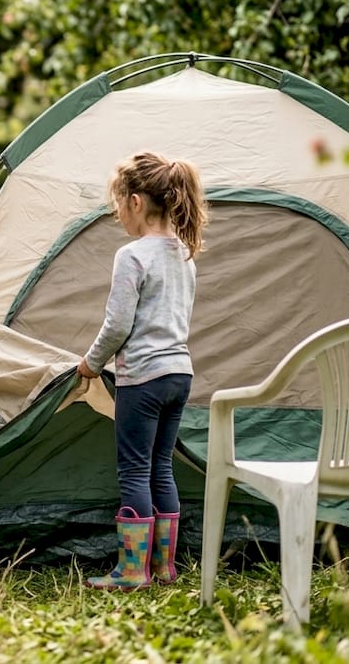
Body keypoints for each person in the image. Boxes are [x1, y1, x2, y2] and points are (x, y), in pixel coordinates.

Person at [78, 151, 209, 590]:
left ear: (136, 201)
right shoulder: (185, 256)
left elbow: (117, 324)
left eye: (119, 205)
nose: (119, 216)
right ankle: (165, 568)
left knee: (134, 471)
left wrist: (91, 363)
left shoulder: (132, 256)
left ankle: (132, 571)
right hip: (179, 374)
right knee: (162, 469)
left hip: (144, 378)